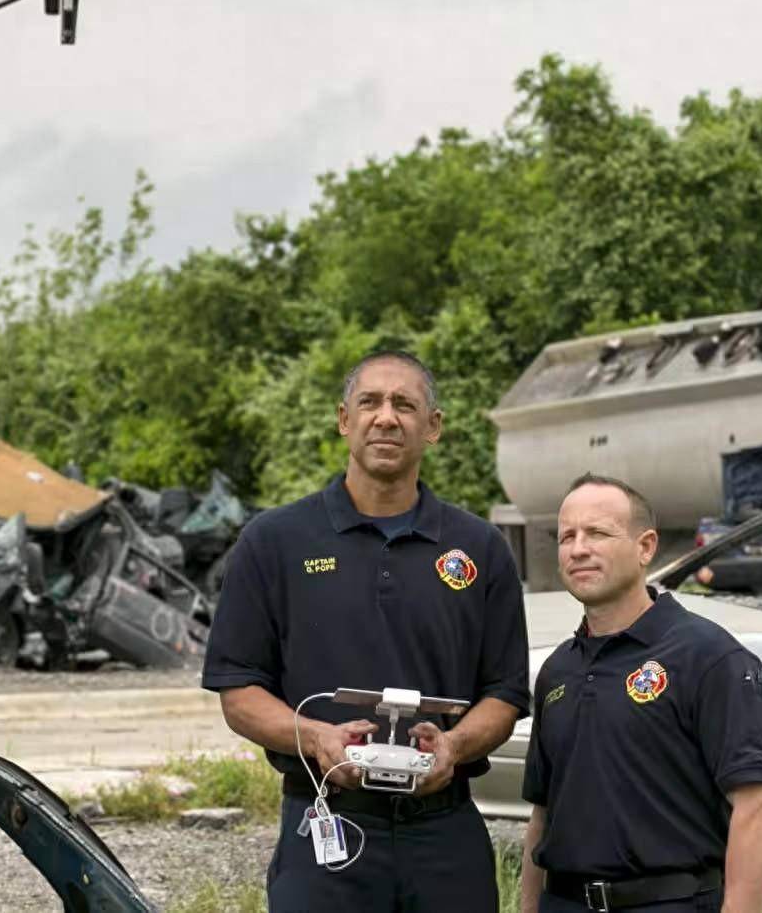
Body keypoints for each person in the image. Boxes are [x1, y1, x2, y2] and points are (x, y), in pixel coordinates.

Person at [202, 350, 529, 912]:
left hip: (443, 834)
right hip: (326, 826)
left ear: (434, 427)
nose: (386, 417)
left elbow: (504, 694)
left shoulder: (479, 549)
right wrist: (318, 738)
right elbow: (240, 694)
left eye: (405, 404)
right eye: (369, 402)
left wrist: (452, 745)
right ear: (343, 419)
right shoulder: (275, 542)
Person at [520, 474, 762, 913]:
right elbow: (542, 817)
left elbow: (760, 804)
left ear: (646, 547)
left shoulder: (709, 657)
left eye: (598, 533)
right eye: (567, 536)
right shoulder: (557, 670)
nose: (578, 548)